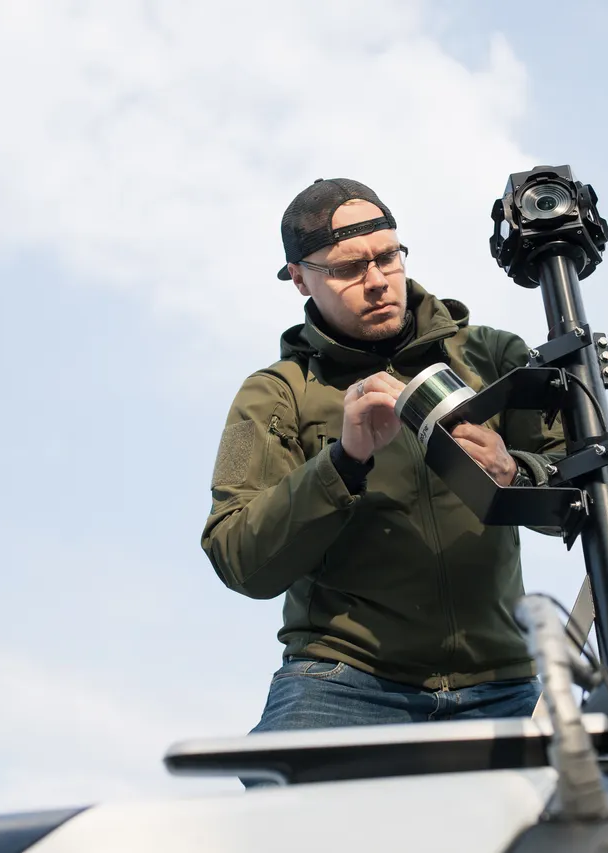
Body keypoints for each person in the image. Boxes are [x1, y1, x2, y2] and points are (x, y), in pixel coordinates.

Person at [201, 178, 565, 732]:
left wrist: (514, 473)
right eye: (348, 269)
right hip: (342, 681)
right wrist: (342, 463)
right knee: (282, 789)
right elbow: (235, 555)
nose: (376, 282)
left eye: (388, 257)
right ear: (299, 278)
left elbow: (585, 497)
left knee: (597, 783)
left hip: (503, 684)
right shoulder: (273, 394)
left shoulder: (494, 356)